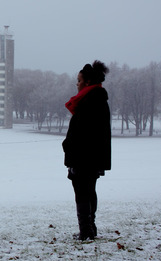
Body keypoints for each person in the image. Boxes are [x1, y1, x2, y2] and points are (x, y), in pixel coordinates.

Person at [62, 60, 111, 240]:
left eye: (79, 80)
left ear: (87, 82)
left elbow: (82, 133)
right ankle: (90, 229)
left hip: (84, 157)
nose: (77, 83)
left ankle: (86, 232)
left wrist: (68, 146)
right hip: (91, 157)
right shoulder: (95, 98)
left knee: (82, 192)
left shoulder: (89, 100)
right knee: (89, 191)